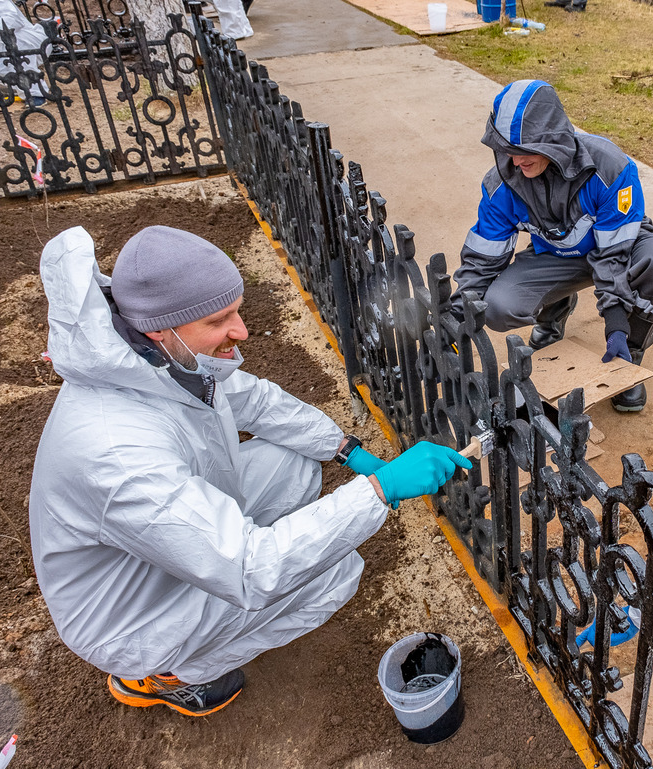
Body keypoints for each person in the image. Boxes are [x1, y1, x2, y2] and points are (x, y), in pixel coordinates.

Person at [29, 225, 471, 716]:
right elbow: (251, 571)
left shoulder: (150, 357)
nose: (240, 330)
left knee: (297, 460)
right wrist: (379, 489)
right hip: (129, 613)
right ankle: (162, 674)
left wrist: (347, 450)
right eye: (220, 320)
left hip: (154, 549)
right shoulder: (117, 455)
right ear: (161, 327)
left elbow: (255, 402)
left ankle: (221, 564)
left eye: (236, 310)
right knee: (334, 572)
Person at [451, 79, 653, 412]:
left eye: (526, 148)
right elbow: (482, 260)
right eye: (507, 148)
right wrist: (456, 317)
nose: (515, 160)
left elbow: (613, 255)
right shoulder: (502, 185)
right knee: (497, 305)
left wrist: (617, 325)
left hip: (620, 250)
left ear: (553, 140)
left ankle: (630, 357)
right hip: (557, 256)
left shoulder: (608, 167)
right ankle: (555, 314)